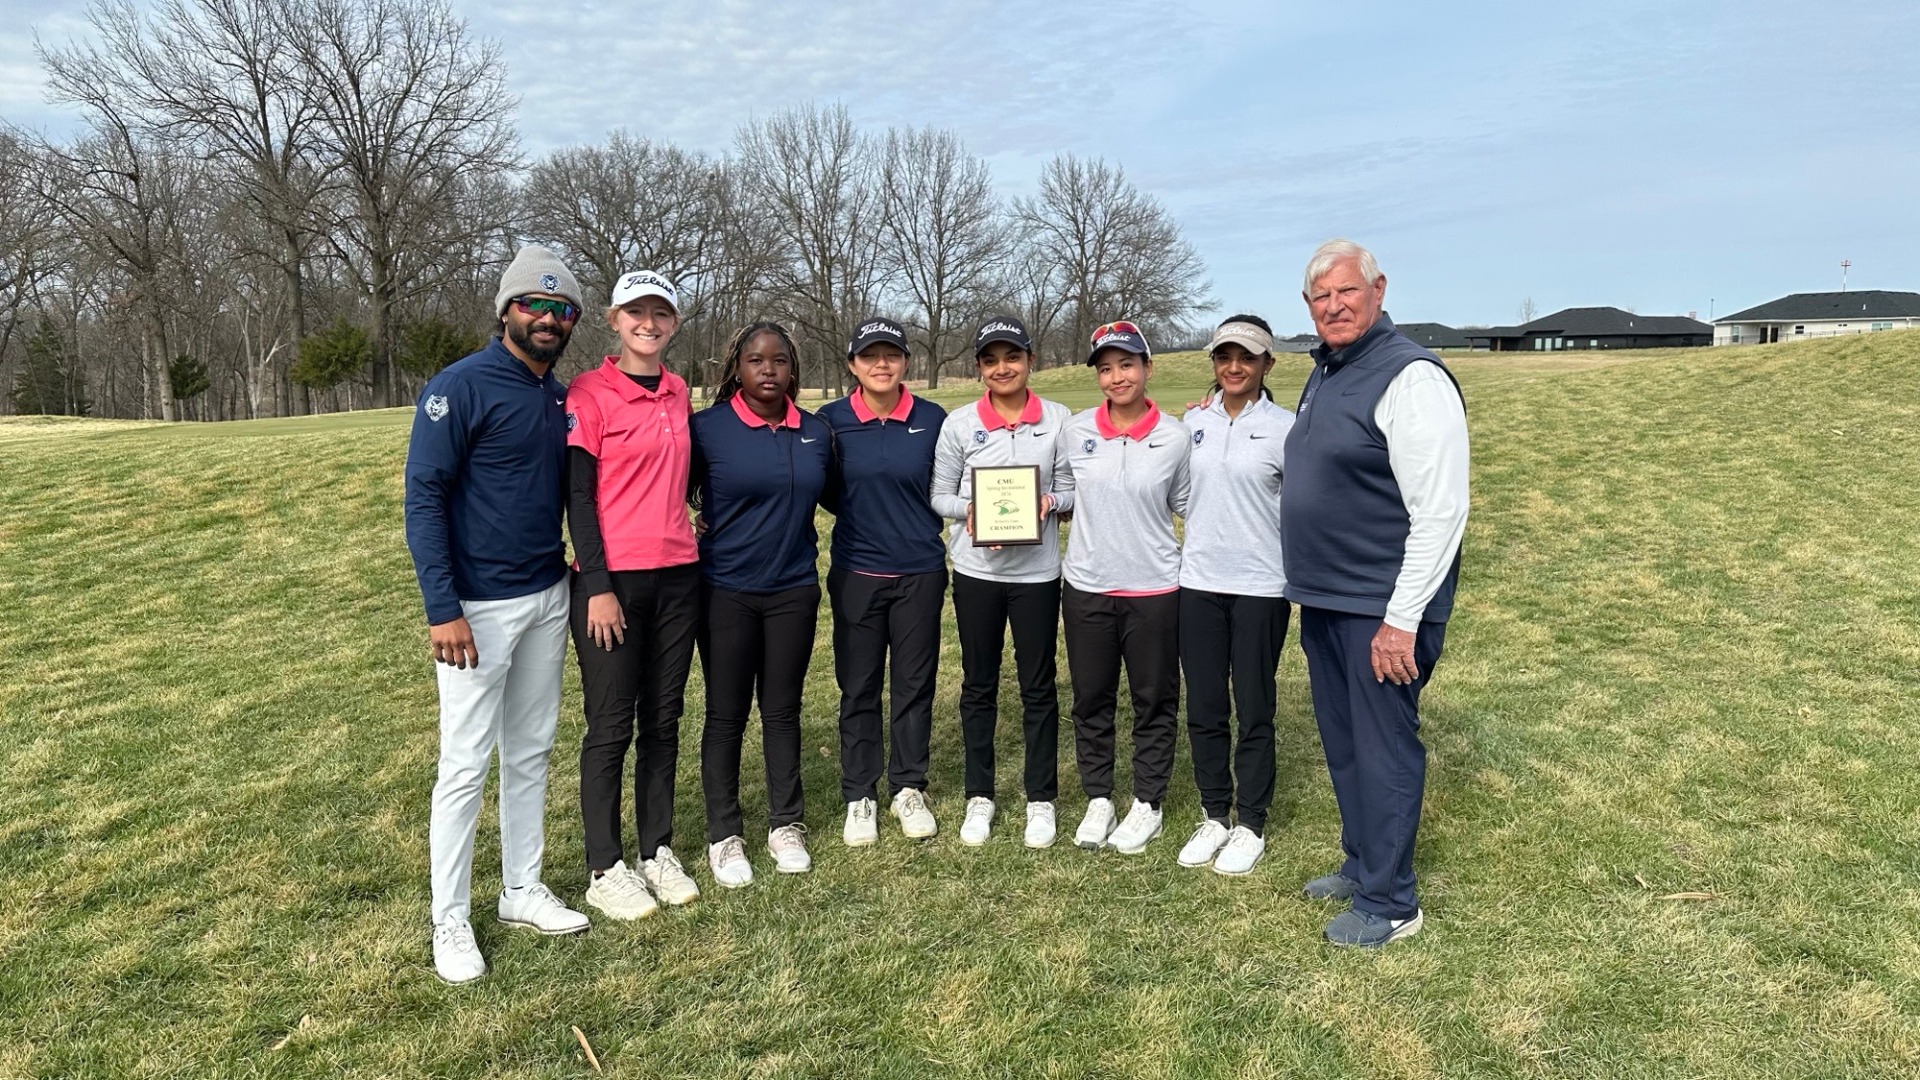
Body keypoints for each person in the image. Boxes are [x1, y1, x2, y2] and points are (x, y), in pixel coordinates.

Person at [404, 245, 591, 984]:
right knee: (464, 763)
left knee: (530, 750)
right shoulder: (459, 387)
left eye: (561, 309)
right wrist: (441, 608)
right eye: (533, 305)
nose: (547, 318)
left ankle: (521, 888)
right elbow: (424, 499)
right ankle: (449, 919)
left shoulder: (559, 396)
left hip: (547, 594)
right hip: (476, 609)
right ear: (507, 310)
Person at [1285, 239, 1469, 948]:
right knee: (1345, 743)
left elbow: (1441, 511)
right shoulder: (1329, 370)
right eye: (1320, 296)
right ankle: (1364, 863)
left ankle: (1391, 903)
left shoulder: (1410, 376)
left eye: (1347, 292)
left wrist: (1401, 620)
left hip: (1380, 606)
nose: (1333, 306)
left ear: (1378, 290)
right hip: (1328, 598)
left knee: (1383, 747)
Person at [565, 270, 702, 921]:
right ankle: (605, 866)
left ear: (673, 323)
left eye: (660, 313)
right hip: (612, 582)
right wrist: (596, 585)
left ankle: (657, 850)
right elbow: (579, 497)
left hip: (679, 576)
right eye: (636, 313)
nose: (649, 324)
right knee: (612, 724)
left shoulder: (678, 391)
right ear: (614, 320)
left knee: (664, 719)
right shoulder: (589, 393)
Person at [689, 321, 834, 887]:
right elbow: (671, 491)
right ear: (737, 368)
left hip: (793, 590)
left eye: (779, 360)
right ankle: (724, 834)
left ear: (792, 369)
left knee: (781, 710)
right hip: (725, 591)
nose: (768, 369)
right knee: (726, 714)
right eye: (755, 360)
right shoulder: (708, 429)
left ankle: (785, 824)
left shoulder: (816, 432)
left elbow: (841, 495)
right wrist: (689, 524)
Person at [929, 315, 1073, 848]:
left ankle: (1041, 798)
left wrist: (1048, 501)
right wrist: (971, 512)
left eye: (1012, 357)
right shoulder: (960, 423)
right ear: (979, 368)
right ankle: (979, 794)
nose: (1002, 368)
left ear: (1030, 360)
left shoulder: (1058, 419)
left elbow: (1071, 489)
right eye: (990, 360)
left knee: (1038, 686)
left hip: (1038, 575)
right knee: (978, 684)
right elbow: (939, 496)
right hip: (977, 573)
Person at [1054, 320, 1191, 854]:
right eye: (1106, 368)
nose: (1117, 377)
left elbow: (1188, 503)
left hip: (1154, 588)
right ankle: (1099, 797)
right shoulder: (1076, 431)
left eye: (1127, 365)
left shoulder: (1176, 436)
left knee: (1154, 697)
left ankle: (1147, 802)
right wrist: (1044, 504)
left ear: (1148, 368)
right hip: (1087, 585)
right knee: (1091, 697)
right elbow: (1067, 492)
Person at [816, 317, 949, 846]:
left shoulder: (933, 419)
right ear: (853, 364)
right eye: (870, 356)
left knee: (914, 685)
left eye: (891, 354)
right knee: (859, 685)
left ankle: (908, 786)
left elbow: (951, 483)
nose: (881, 364)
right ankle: (860, 793)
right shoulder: (830, 422)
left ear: (906, 362)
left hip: (920, 571)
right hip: (857, 572)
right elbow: (823, 489)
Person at [1174, 315, 1294, 876]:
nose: (1234, 367)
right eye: (1224, 357)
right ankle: (1215, 813)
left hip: (1260, 587)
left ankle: (1251, 823)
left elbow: (1299, 507)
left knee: (1254, 706)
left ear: (1268, 363)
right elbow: (1178, 493)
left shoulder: (1287, 429)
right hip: (1198, 583)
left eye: (1247, 357)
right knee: (1204, 705)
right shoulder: (1192, 422)